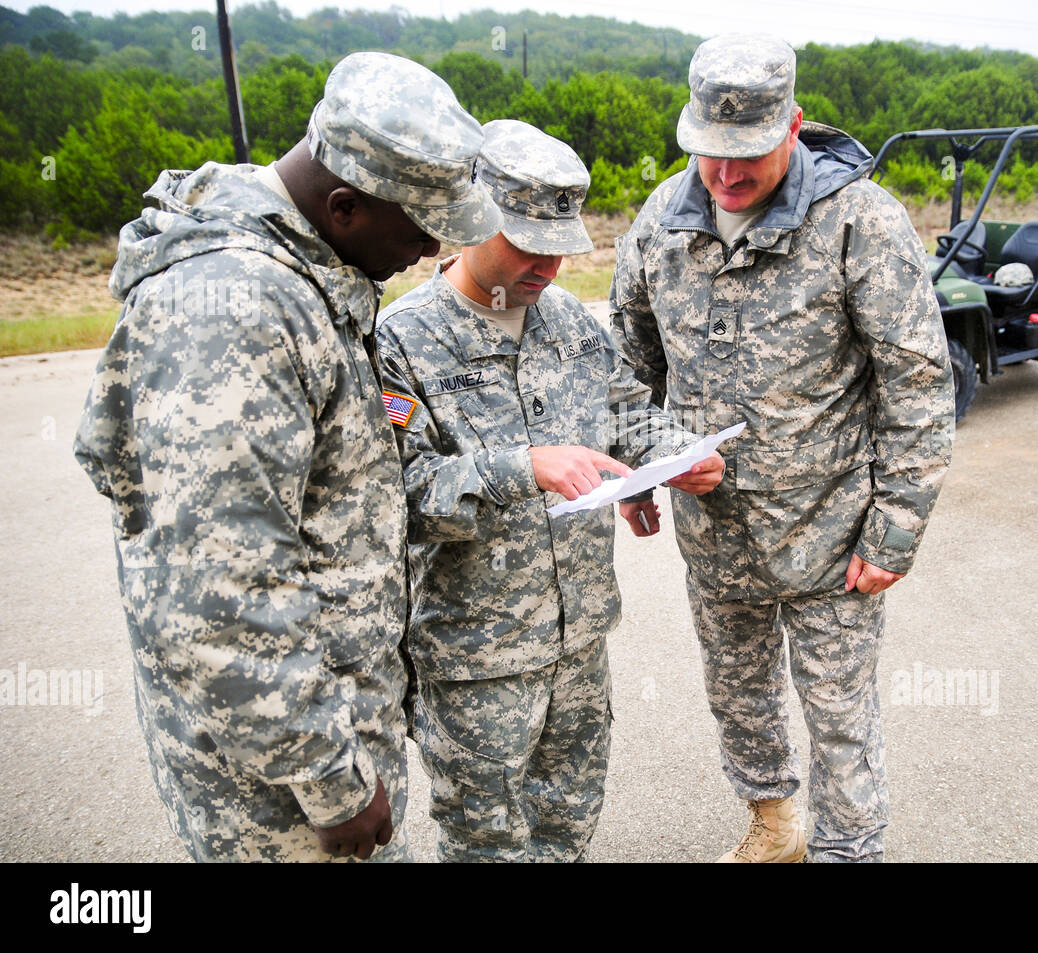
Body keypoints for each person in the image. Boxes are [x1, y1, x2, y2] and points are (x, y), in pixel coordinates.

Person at [72, 52, 503, 862]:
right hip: (279, 793)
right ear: (344, 206)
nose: (429, 250)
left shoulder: (306, 265)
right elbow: (219, 586)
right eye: (420, 228)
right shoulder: (234, 307)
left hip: (323, 742)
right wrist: (332, 779)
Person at [609, 34, 955, 863]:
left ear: (793, 126)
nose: (725, 177)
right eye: (709, 156)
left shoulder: (860, 221)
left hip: (833, 534)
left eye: (749, 158)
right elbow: (621, 366)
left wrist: (895, 530)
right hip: (716, 538)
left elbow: (918, 383)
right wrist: (646, 461)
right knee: (739, 696)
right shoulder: (661, 221)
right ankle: (774, 826)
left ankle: (848, 851)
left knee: (839, 712)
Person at [375, 119, 725, 862]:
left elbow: (628, 409)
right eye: (524, 242)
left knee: (566, 830)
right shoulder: (402, 341)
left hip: (579, 641)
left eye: (558, 248)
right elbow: (393, 497)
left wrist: (675, 456)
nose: (544, 266)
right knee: (487, 845)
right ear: (471, 218)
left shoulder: (569, 321)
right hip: (476, 662)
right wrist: (521, 465)